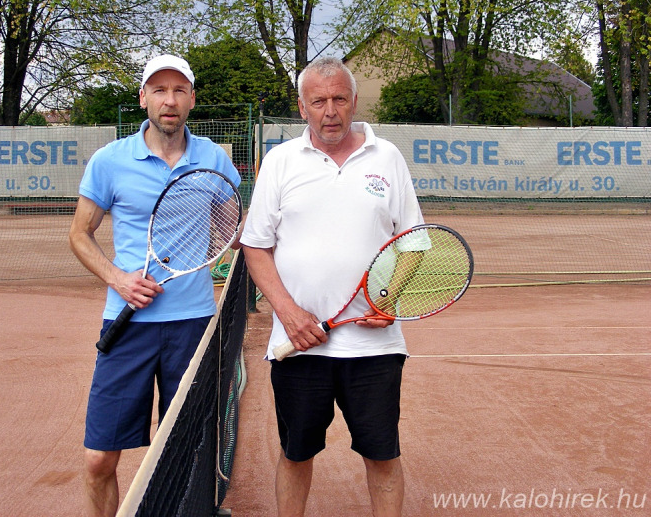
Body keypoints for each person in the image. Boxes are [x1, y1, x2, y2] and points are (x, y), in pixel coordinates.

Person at [240, 57, 424, 517]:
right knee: (296, 455)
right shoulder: (280, 161)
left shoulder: (387, 157)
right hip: (299, 346)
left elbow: (414, 243)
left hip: (375, 348)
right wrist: (289, 314)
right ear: (302, 107)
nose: (330, 111)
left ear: (354, 101)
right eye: (318, 101)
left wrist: (389, 298)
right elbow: (256, 247)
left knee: (383, 455)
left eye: (339, 99)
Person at [69, 54, 241, 517]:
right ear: (143, 97)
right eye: (159, 90)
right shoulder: (110, 161)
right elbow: (78, 235)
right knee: (99, 457)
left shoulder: (214, 158)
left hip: (194, 325)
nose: (170, 100)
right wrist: (119, 279)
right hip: (127, 327)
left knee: (184, 450)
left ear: (191, 100)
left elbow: (231, 232)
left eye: (179, 90)